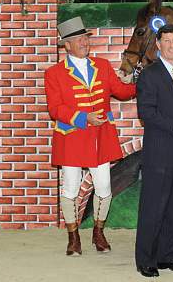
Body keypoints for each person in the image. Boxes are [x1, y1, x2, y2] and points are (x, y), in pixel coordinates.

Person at [44, 16, 136, 256]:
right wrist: (84, 118)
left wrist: (141, 80)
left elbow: (122, 92)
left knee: (104, 187)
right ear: (67, 45)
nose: (85, 42)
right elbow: (55, 109)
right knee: (71, 188)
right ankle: (73, 237)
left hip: (100, 137)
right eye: (79, 39)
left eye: (85, 38)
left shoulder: (103, 66)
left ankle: (98, 231)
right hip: (72, 136)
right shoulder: (53, 73)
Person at [135, 24, 173, 278]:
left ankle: (168, 256)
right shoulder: (150, 75)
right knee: (153, 207)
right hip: (159, 153)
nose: (172, 45)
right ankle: (146, 260)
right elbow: (147, 114)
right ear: (158, 45)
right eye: (167, 41)